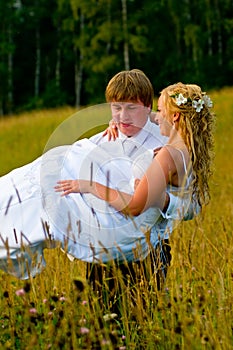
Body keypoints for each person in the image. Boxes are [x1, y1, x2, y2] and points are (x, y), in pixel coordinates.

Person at [55, 82, 215, 306]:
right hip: (108, 251)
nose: (123, 115)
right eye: (116, 108)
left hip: (149, 250)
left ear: (147, 106)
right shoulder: (109, 136)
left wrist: (165, 201)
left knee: (139, 319)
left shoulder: (165, 141)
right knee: (104, 320)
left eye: (131, 108)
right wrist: (119, 121)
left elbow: (191, 204)